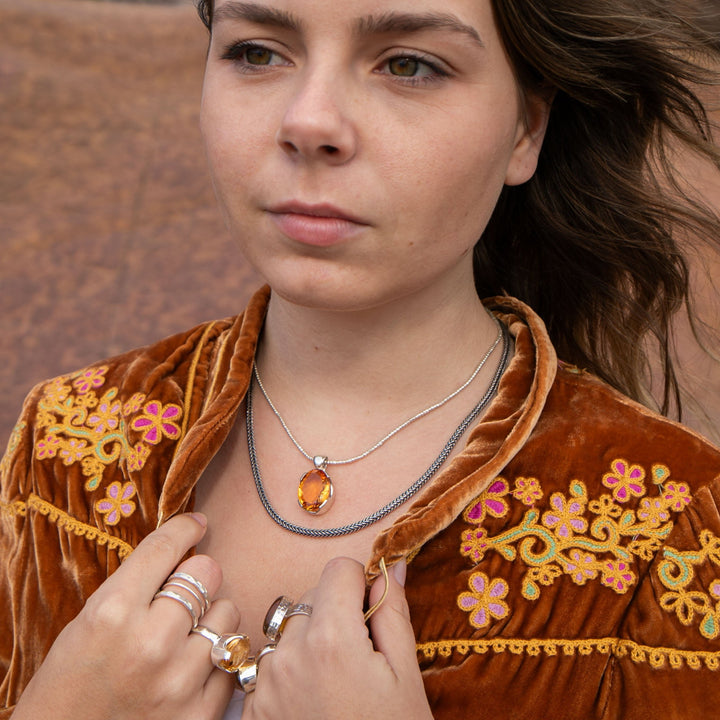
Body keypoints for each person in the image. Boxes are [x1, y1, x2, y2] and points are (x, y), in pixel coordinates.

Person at [2, 0, 720, 718]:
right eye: (258, 53)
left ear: (526, 129)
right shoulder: (63, 442)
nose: (308, 122)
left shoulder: (675, 525)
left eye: (408, 65)